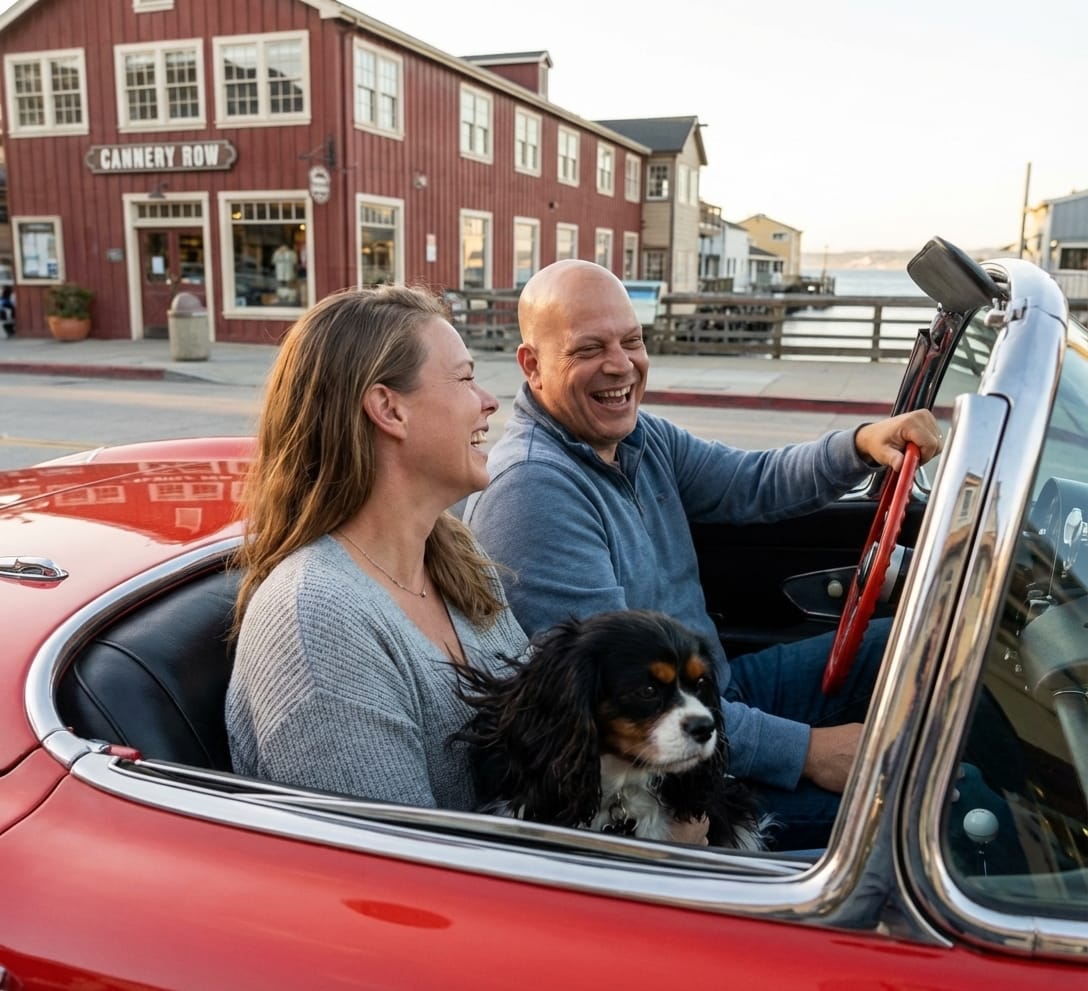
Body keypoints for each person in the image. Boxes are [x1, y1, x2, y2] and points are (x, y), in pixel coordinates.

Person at [464, 259, 943, 850]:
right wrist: (812, 753)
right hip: (657, 765)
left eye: (632, 341)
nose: (621, 365)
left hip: (718, 694)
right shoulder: (533, 491)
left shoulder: (639, 437)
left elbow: (752, 481)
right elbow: (606, 708)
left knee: (936, 641)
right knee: (943, 801)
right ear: (532, 365)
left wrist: (861, 445)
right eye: (590, 348)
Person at [226, 284, 527, 813]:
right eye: (465, 378)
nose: (488, 400)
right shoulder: (318, 618)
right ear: (389, 409)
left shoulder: (455, 557)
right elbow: (400, 867)